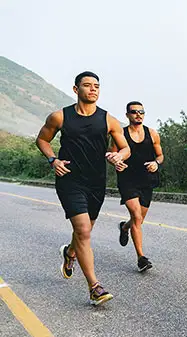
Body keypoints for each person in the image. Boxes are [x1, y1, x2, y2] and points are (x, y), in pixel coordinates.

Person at [35, 71, 130, 306]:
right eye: (87, 85)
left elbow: (125, 148)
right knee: (84, 230)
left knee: (83, 232)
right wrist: (52, 160)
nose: (93, 89)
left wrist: (118, 156)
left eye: (96, 86)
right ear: (76, 90)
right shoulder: (60, 117)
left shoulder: (108, 120)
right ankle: (94, 287)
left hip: (96, 183)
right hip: (70, 180)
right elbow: (42, 140)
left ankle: (70, 253)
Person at [113, 101, 164, 272]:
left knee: (139, 219)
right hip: (127, 179)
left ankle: (124, 227)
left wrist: (156, 163)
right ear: (127, 115)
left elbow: (160, 155)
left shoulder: (152, 133)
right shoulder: (120, 133)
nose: (138, 115)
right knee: (136, 216)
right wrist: (116, 163)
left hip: (146, 180)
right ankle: (141, 258)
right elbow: (113, 154)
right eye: (134, 112)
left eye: (141, 111)